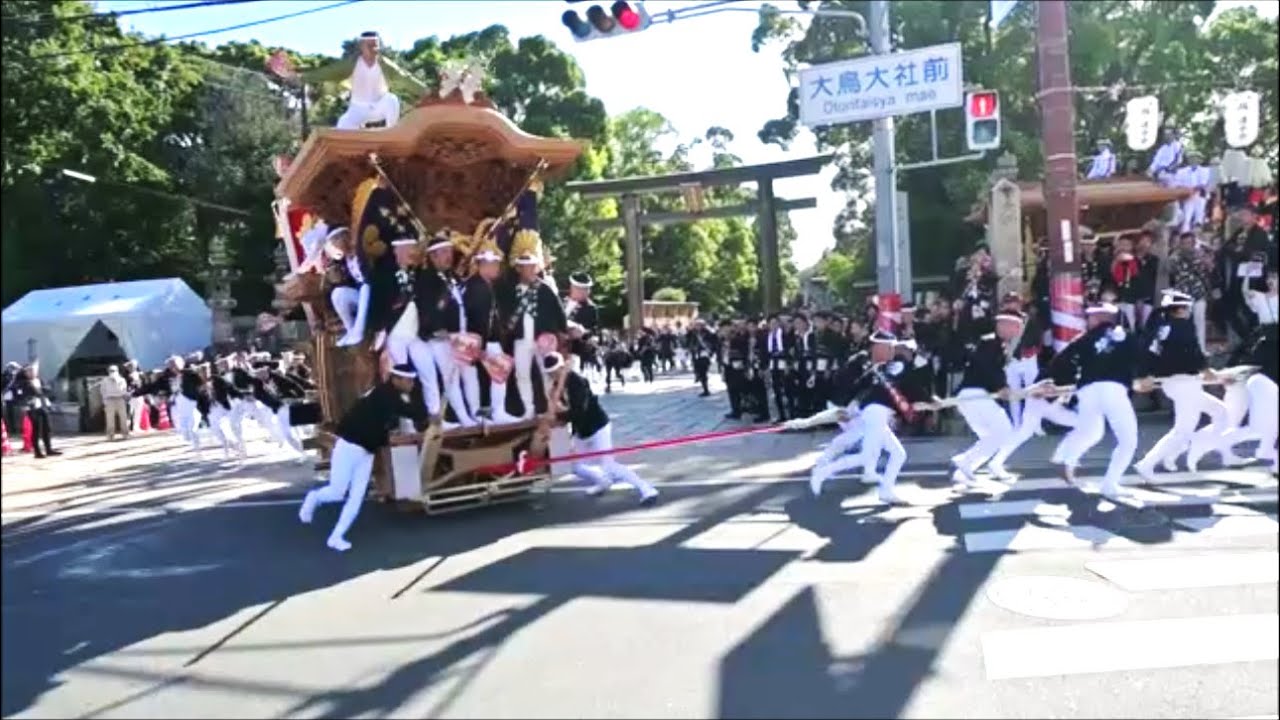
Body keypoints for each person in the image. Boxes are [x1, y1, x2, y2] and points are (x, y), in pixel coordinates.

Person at [299, 363, 428, 551]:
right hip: (348, 447)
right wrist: (425, 406)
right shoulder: (386, 395)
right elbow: (415, 412)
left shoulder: (387, 393)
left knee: (356, 497)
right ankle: (313, 498)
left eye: (412, 381)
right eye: (408, 381)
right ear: (395, 379)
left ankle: (336, 537)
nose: (411, 384)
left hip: (367, 451)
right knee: (337, 492)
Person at [543, 352, 658, 505]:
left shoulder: (577, 382)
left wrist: (559, 418)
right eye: (550, 374)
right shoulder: (556, 388)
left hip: (598, 427)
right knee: (573, 465)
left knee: (609, 465)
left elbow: (579, 411)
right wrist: (556, 417)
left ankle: (647, 489)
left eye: (555, 372)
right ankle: (602, 481)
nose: (553, 376)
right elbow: (565, 412)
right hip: (581, 431)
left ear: (562, 368)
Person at [1049, 303, 1139, 497]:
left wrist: (1066, 381)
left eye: (1090, 317)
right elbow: (1140, 356)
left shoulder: (1084, 338)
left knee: (1090, 432)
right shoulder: (1125, 335)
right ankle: (1110, 484)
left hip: (1087, 390)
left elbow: (1060, 361)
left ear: (1098, 318)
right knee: (1128, 440)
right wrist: (1141, 376)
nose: (1088, 321)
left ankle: (1065, 459)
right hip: (1114, 389)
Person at [290, 32, 426, 130]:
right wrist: (302, 77)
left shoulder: (385, 65)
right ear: (362, 47)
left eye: (376, 46)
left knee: (392, 100)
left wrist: (426, 91)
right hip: (357, 109)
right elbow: (326, 72)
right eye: (370, 46)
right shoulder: (350, 65)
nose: (374, 49)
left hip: (380, 106)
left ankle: (391, 132)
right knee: (343, 124)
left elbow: (405, 78)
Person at [950, 312, 1024, 484]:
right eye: (1015, 326)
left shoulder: (996, 344)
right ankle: (964, 461)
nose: (1018, 331)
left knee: (991, 438)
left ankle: (962, 473)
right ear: (1002, 325)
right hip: (976, 395)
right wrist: (1001, 386)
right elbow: (987, 367)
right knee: (1004, 432)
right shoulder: (990, 343)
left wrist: (1002, 386)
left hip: (972, 397)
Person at [415, 230, 476, 427]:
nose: (449, 256)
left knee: (463, 374)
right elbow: (427, 309)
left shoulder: (451, 277)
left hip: (459, 333)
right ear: (433, 256)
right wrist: (438, 330)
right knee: (450, 377)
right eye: (444, 253)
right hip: (440, 336)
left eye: (449, 252)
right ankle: (462, 417)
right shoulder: (426, 279)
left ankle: (471, 414)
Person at [463, 236, 519, 424]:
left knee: (496, 371)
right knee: (493, 370)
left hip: (484, 340)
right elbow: (479, 318)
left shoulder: (484, 285)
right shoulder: (477, 288)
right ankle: (491, 412)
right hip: (479, 340)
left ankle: (494, 411)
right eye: (494, 264)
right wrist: (482, 346)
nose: (497, 268)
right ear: (483, 265)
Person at [326, 227, 372, 348]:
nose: (335, 246)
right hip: (361, 298)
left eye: (335, 241)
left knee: (366, 287)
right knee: (337, 293)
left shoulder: (361, 252)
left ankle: (359, 330)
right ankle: (350, 330)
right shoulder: (343, 260)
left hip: (375, 294)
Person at [9, 361, 58, 458]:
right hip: (32, 408)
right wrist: (40, 390)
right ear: (25, 372)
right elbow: (34, 392)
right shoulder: (23, 382)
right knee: (36, 429)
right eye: (30, 371)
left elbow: (47, 390)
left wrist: (42, 390)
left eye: (34, 370)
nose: (33, 372)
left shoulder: (38, 380)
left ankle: (49, 449)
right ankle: (37, 452)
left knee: (47, 428)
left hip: (42, 405)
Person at [564, 272, 599, 375]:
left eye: (587, 289)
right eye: (582, 289)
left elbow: (592, 330)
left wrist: (582, 332)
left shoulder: (590, 308)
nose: (585, 292)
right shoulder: (560, 301)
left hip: (574, 352)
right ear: (572, 287)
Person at [98, 365, 130, 441]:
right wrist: (105, 400)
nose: (112, 372)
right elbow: (102, 391)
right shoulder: (105, 380)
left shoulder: (122, 379)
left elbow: (124, 390)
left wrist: (117, 381)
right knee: (110, 419)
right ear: (108, 371)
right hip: (110, 400)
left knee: (123, 417)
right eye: (111, 370)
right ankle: (110, 435)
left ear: (117, 371)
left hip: (120, 399)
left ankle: (125, 434)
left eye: (114, 370)